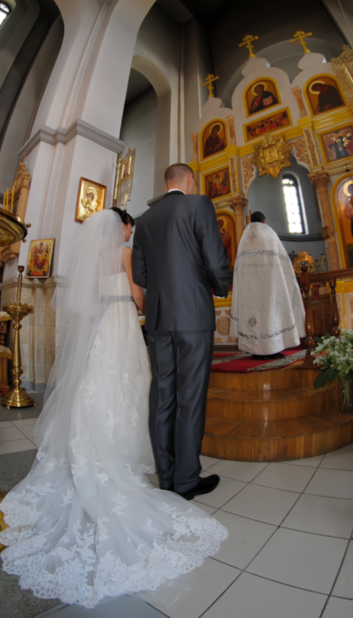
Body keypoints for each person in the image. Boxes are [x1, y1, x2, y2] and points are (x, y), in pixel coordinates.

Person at [0, 207, 227, 609]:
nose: (130, 233)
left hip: (103, 321)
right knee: (130, 381)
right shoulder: (123, 252)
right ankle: (123, 447)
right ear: (121, 227)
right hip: (122, 320)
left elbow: (89, 298)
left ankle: (95, 440)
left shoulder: (97, 257)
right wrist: (147, 307)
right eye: (129, 227)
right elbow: (138, 293)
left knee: (99, 381)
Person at [132, 164, 230, 501]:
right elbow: (214, 258)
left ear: (166, 183)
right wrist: (221, 287)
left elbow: (140, 274)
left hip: (159, 318)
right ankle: (186, 479)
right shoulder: (198, 204)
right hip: (192, 314)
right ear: (189, 180)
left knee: (162, 396)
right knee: (190, 396)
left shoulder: (145, 219)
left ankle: (167, 475)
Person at [231, 212, 305, 358]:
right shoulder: (269, 235)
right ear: (264, 221)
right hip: (270, 288)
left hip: (249, 291)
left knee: (253, 317)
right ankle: (273, 350)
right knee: (270, 317)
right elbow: (284, 261)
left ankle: (255, 352)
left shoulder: (244, 239)